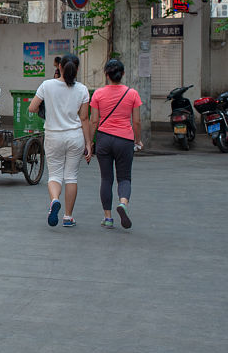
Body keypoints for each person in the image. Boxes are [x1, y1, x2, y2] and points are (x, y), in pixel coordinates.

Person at [29, 54, 91, 228]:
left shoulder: (47, 85)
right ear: (77, 69)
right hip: (75, 137)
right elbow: (84, 118)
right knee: (71, 177)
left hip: (53, 136)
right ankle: (68, 217)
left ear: (60, 68)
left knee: (55, 175)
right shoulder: (82, 90)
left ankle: (55, 200)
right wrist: (88, 144)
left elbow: (33, 107)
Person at [89, 58, 143, 231]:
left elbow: (94, 120)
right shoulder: (132, 94)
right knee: (124, 177)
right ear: (123, 74)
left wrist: (90, 141)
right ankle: (123, 203)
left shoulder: (98, 94)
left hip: (104, 139)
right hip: (125, 140)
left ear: (106, 74)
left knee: (106, 178)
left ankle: (108, 218)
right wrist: (137, 139)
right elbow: (136, 121)